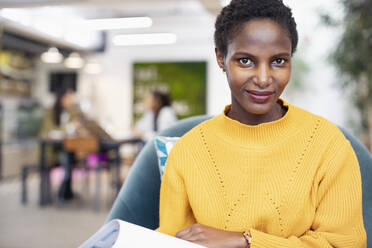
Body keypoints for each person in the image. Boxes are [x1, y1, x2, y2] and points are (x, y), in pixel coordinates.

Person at [156, 0, 367, 247]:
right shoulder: (188, 151)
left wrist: (245, 241)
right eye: (245, 61)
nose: (264, 79)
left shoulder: (328, 144)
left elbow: (345, 243)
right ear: (221, 58)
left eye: (279, 61)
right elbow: (171, 240)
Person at [40, 88, 81, 200]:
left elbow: (76, 131)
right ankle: (63, 192)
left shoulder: (73, 112)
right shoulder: (50, 112)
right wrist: (70, 127)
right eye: (69, 98)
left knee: (69, 156)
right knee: (67, 158)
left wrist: (75, 127)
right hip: (51, 150)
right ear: (62, 99)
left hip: (68, 148)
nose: (71, 101)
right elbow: (49, 131)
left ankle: (66, 191)